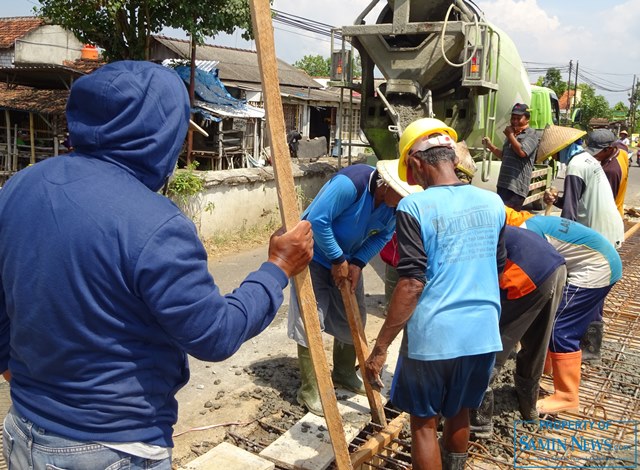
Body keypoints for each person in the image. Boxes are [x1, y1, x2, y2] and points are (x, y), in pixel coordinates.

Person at [0, 61, 314, 469]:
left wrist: (20, 374)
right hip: (112, 447)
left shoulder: (21, 186)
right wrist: (276, 268)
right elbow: (215, 334)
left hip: (23, 431)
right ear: (159, 132)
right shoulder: (155, 223)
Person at [364, 118, 507, 470]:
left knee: (424, 424)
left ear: (415, 162)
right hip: (483, 333)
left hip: (435, 336)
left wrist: (379, 348)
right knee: (460, 411)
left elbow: (411, 283)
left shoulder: (415, 207)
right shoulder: (493, 203)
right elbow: (499, 265)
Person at [287, 158, 412, 416]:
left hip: (346, 259)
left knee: (354, 316)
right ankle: (310, 388)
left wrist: (356, 262)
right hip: (313, 254)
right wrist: (337, 258)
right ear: (385, 185)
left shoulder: (393, 207)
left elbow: (384, 236)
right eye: (401, 194)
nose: (404, 200)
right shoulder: (351, 184)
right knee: (311, 317)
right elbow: (318, 220)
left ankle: (343, 372)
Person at [507, 210, 622, 413]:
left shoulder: (527, 233)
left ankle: (567, 396)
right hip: (602, 259)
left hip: (596, 268)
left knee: (561, 327)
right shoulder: (533, 223)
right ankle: (548, 367)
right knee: (556, 318)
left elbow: (532, 283)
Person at [470, 224, 566, 436]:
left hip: (528, 273)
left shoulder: (466, 241)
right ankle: (528, 407)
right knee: (537, 343)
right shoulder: (487, 227)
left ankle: (478, 422)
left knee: (493, 339)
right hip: (556, 268)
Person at [542, 126, 624, 249]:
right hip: (610, 229)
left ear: (563, 149)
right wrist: (556, 200)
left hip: (597, 234)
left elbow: (569, 214)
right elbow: (578, 200)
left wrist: (561, 243)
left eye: (554, 154)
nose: (553, 158)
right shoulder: (587, 160)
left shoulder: (575, 166)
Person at [482, 103, 540, 211]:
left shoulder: (532, 134)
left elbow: (522, 152)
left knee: (509, 220)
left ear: (527, 119)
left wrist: (510, 135)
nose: (514, 121)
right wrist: (490, 146)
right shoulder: (513, 134)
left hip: (516, 188)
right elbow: (504, 156)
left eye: (519, 118)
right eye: (513, 118)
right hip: (503, 184)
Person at [591, 129, 629, 219]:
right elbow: (621, 145)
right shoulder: (622, 152)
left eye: (596, 152)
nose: (594, 155)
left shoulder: (610, 171)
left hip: (609, 219)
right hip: (618, 212)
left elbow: (605, 204)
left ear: (609, 149)